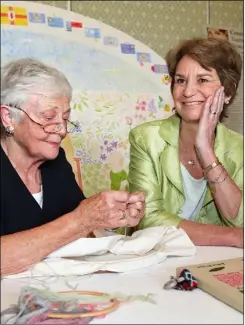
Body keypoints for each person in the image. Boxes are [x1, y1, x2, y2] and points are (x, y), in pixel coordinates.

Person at [0, 58, 145, 276]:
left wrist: (109, 217)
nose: (62, 130)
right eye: (49, 117)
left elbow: (81, 235)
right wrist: (83, 219)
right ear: (8, 117)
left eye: (65, 118)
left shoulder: (56, 162)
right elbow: (77, 221)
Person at [128, 37, 243, 247]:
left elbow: (239, 218)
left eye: (202, 80)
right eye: (181, 80)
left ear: (227, 92)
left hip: (217, 264)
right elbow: (148, 219)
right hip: (158, 261)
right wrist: (232, 236)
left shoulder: (239, 148)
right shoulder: (145, 138)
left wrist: (206, 151)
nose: (188, 92)